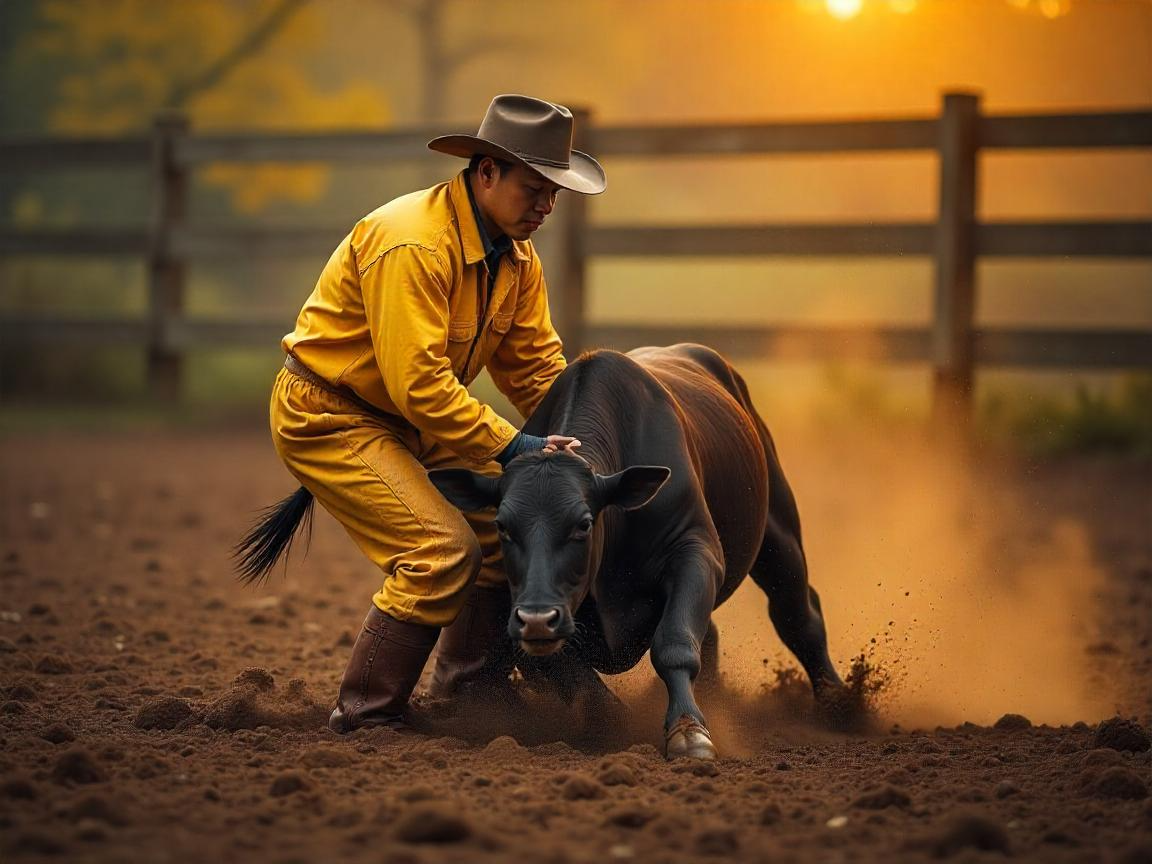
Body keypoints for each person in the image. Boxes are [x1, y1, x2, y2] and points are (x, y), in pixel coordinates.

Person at [268, 94, 606, 733]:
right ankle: (365, 716)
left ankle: (467, 698)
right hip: (333, 416)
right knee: (439, 551)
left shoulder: (516, 257)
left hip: (419, 420)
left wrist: (587, 445)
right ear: (485, 174)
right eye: (534, 188)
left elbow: (534, 369)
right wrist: (516, 449)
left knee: (508, 537)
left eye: (555, 193)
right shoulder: (415, 246)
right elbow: (419, 384)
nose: (546, 206)